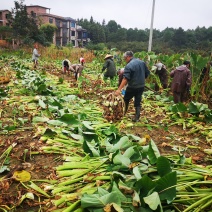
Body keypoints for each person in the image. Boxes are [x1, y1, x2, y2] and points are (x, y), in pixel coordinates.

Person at [115, 51, 150, 122]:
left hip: (133, 86)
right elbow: (147, 73)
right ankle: (137, 118)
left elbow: (125, 79)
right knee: (138, 100)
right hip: (141, 86)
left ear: (128, 57)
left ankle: (123, 113)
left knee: (126, 99)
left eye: (125, 59)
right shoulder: (142, 62)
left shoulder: (129, 65)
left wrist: (119, 89)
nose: (125, 60)